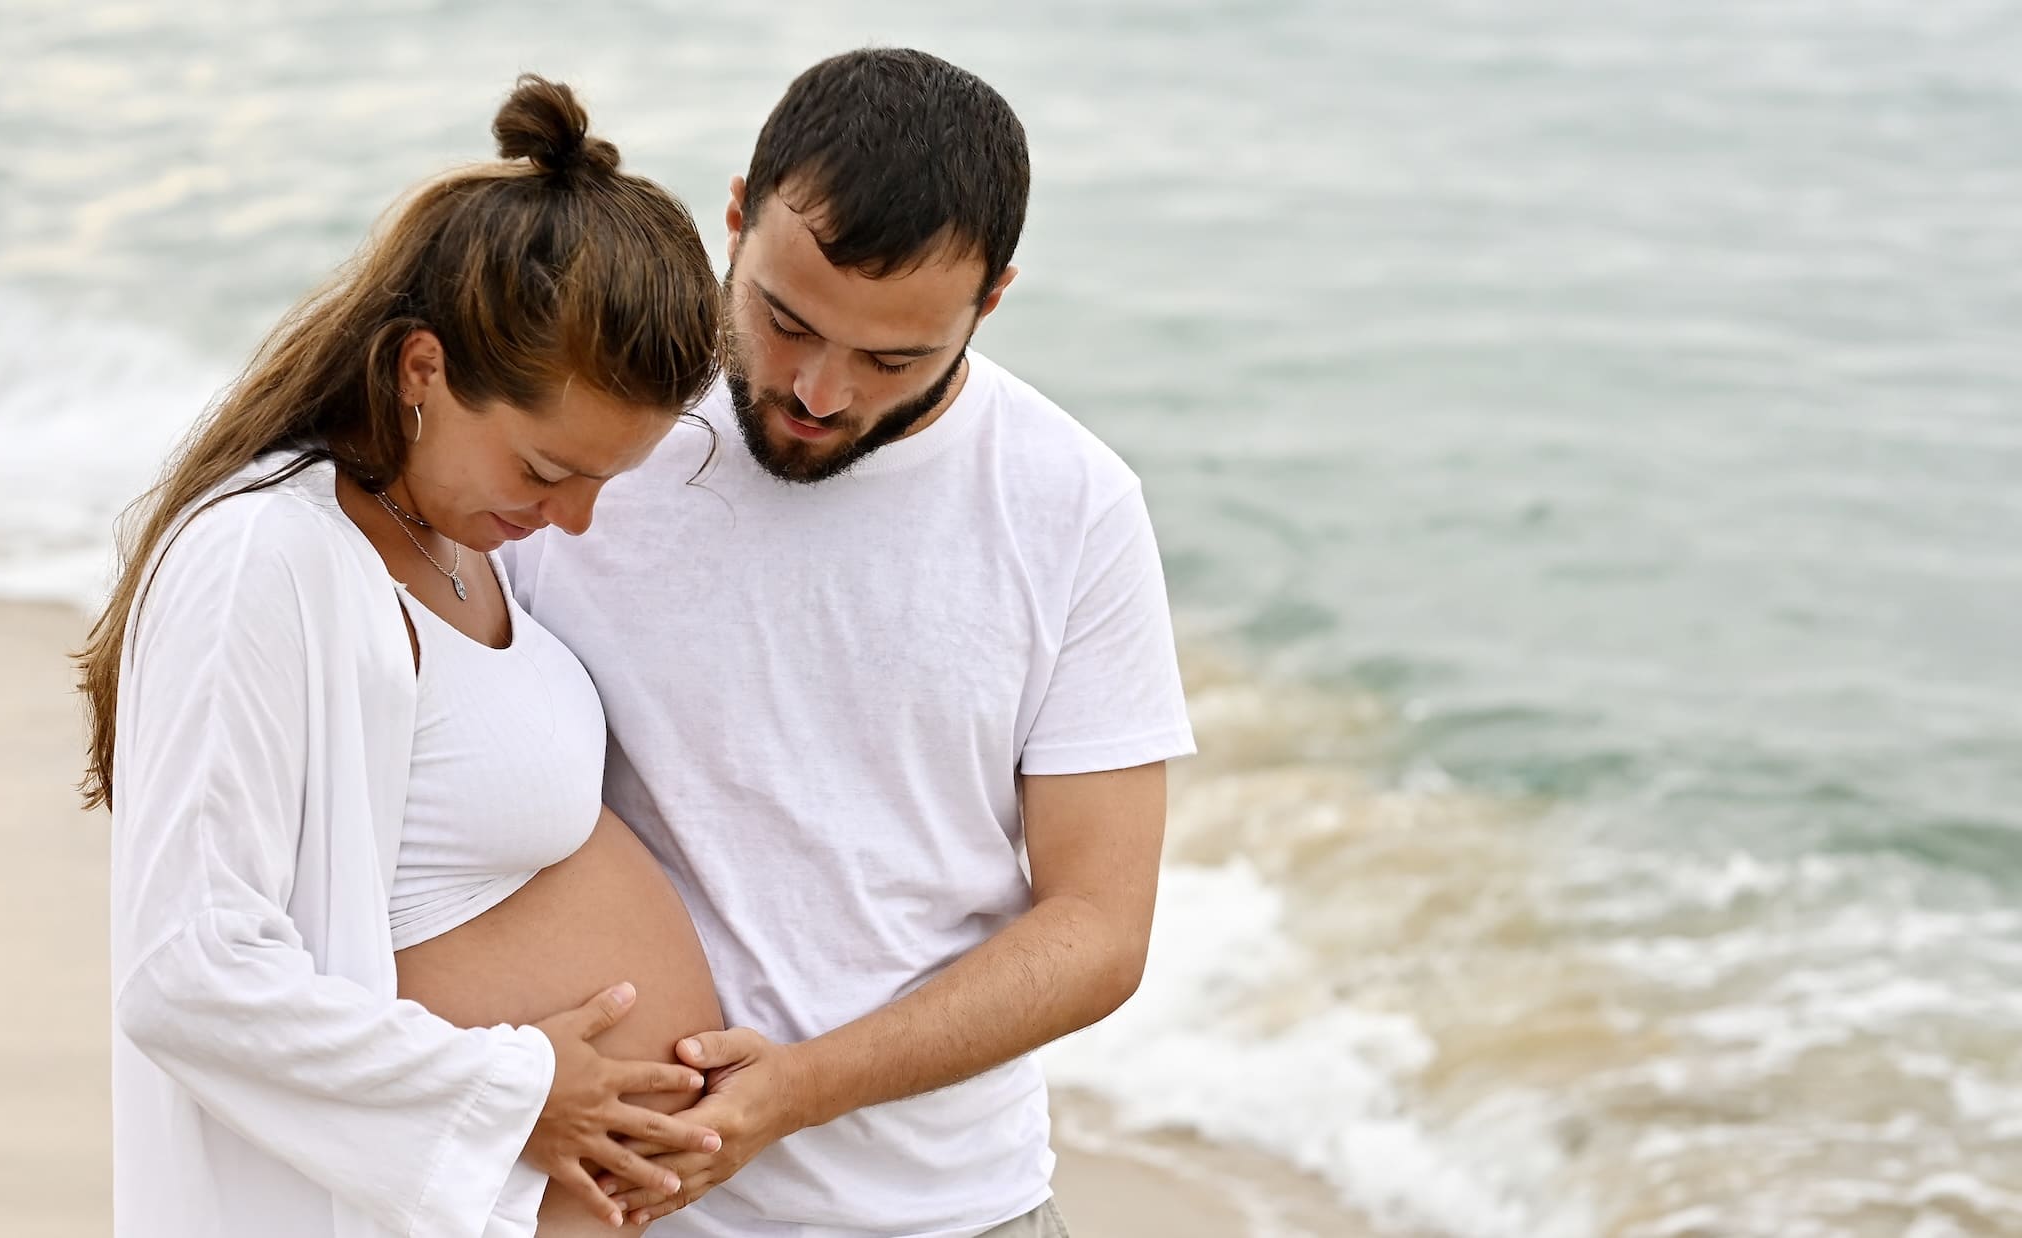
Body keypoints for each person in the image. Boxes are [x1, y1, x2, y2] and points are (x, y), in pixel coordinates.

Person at [504, 48, 1195, 1237]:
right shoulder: (590, 431)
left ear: (991, 300)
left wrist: (800, 1088)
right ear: (735, 219)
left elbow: (1096, 929)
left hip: (950, 1207)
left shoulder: (1073, 506)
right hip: (608, 1198)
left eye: (892, 359)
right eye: (784, 321)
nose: (818, 392)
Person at [78, 77, 730, 1238]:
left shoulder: (458, 534)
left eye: (603, 481)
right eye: (545, 469)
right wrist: (514, 1093)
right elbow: (188, 971)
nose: (573, 518)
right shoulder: (265, 558)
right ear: (423, 368)